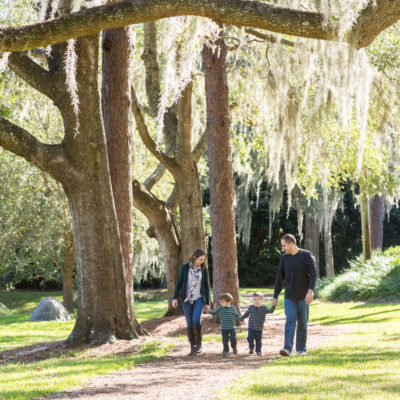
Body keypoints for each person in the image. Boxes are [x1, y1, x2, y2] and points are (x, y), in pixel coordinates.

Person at [273, 234, 317, 357]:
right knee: (290, 320)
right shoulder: (284, 258)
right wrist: (275, 295)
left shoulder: (306, 256)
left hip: (304, 296)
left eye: (284, 245)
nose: (283, 248)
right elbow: (279, 277)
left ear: (291, 244)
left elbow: (313, 274)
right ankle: (287, 348)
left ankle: (301, 349)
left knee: (303, 322)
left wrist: (310, 291)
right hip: (289, 296)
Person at [172, 249, 210, 356]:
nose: (202, 261)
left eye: (203, 259)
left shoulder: (203, 269)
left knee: (195, 319)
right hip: (187, 299)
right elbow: (179, 282)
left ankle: (199, 345)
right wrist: (174, 298)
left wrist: (207, 302)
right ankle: (192, 346)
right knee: (189, 322)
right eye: (200, 259)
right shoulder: (185, 267)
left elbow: (206, 287)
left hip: (199, 298)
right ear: (194, 257)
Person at [239, 291, 275, 356]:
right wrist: (242, 318)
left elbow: (270, 311)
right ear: (253, 300)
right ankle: (251, 348)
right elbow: (246, 314)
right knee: (250, 338)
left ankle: (258, 351)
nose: (256, 301)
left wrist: (273, 306)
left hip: (259, 328)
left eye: (258, 299)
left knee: (258, 341)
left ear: (261, 300)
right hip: (251, 327)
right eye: (254, 299)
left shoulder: (263, 308)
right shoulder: (251, 307)